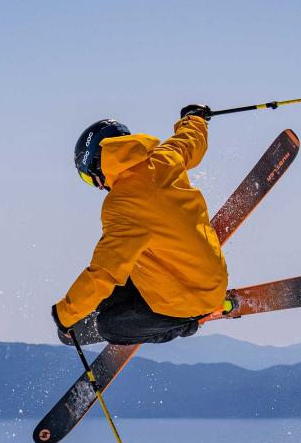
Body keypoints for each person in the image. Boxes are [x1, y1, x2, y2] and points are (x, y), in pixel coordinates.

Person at [52, 106, 226, 346]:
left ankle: (188, 324)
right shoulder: (165, 157)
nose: (99, 187)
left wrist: (63, 315)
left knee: (109, 327)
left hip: (191, 299)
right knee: (109, 294)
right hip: (208, 274)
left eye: (88, 178)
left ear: (97, 167)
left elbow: (105, 271)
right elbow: (190, 141)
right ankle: (105, 309)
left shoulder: (121, 205)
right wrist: (194, 119)